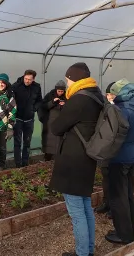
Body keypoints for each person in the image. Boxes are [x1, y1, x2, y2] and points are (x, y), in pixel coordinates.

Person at [49, 63, 102, 256]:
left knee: (77, 211)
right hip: (87, 158)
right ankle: (87, 250)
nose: (67, 82)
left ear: (75, 78)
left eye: (68, 79)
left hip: (73, 159)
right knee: (86, 206)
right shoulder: (96, 95)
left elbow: (56, 128)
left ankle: (82, 253)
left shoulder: (78, 99)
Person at [105, 79, 134, 244]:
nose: (112, 95)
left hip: (118, 157)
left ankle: (123, 235)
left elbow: (112, 135)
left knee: (117, 197)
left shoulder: (120, 110)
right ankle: (129, 230)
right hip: (132, 155)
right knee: (127, 196)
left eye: (114, 92)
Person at [12, 70, 42, 167]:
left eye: (29, 79)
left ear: (33, 79)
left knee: (27, 142)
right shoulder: (16, 86)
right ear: (23, 76)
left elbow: (39, 100)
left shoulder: (37, 87)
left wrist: (34, 109)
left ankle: (25, 164)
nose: (27, 81)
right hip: (18, 118)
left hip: (29, 119)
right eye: (26, 78)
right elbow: (10, 100)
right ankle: (17, 165)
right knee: (17, 142)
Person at [95, 82, 115, 218]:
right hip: (104, 149)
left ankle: (114, 206)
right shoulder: (103, 106)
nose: (109, 96)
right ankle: (106, 202)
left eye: (111, 94)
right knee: (106, 177)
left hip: (115, 150)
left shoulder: (120, 109)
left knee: (115, 179)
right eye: (107, 94)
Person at [40, 80, 66, 161]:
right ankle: (47, 159)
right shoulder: (49, 95)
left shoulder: (67, 97)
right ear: (56, 90)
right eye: (59, 91)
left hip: (60, 123)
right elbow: (43, 106)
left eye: (62, 91)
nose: (60, 93)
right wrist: (53, 102)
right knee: (48, 142)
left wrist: (65, 104)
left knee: (58, 142)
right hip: (49, 122)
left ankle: (56, 159)